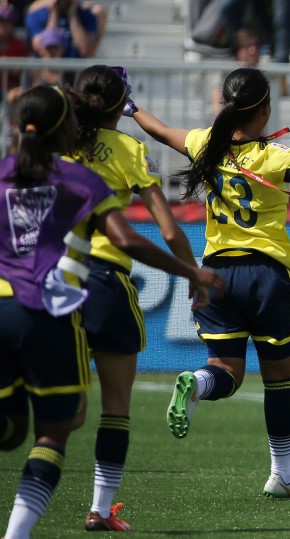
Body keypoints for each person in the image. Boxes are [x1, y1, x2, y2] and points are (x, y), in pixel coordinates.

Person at [0, 85, 223, 539]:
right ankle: (96, 509)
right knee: (83, 418)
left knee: (18, 429)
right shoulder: (104, 165)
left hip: (7, 302)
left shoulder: (6, 171)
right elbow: (140, 232)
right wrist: (191, 272)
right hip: (72, 296)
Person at [130, 67, 290, 500]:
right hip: (268, 275)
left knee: (224, 370)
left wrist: (130, 106)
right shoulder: (281, 157)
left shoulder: (204, 144)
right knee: (278, 381)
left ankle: (197, 381)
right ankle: (280, 474)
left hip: (218, 274)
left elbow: (158, 130)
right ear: (264, 109)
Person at [66, 64, 208, 532]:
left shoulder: (56, 146)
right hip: (106, 282)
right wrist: (193, 275)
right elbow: (168, 228)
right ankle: (100, 510)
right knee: (115, 406)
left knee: (64, 411)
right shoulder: (130, 150)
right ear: (119, 105)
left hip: (52, 283)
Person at [25, 0, 104, 58]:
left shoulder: (86, 15)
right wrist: (54, 13)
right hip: (48, 74)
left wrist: (73, 15)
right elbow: (42, 49)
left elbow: (85, 49)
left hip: (76, 72)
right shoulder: (36, 15)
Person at [0, 3, 27, 104]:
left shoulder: (19, 46)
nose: (3, 26)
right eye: (1, 22)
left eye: (7, 22)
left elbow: (23, 71)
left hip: (11, 90)